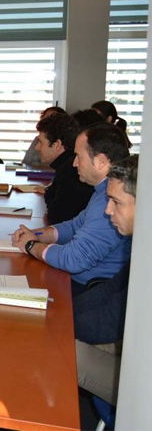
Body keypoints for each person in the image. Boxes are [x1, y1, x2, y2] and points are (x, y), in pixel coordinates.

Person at [10, 123, 131, 291]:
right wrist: (40, 234)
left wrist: (31, 246)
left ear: (101, 161)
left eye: (79, 157)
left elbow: (75, 259)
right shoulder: (102, 190)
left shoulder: (109, 200)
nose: (74, 164)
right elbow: (76, 225)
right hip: (78, 282)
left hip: (89, 288)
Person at [74, 155, 136, 406]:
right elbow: (109, 292)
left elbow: (111, 321)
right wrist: (60, 319)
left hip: (140, 380)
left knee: (55, 354)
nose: (108, 210)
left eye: (116, 202)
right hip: (128, 348)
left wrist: (57, 330)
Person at [34, 113, 94, 224]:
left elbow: (57, 217)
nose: (37, 147)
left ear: (56, 144)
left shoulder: (71, 170)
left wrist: (48, 191)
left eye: (41, 142)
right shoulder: (66, 164)